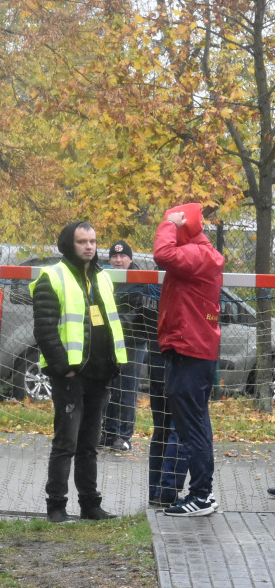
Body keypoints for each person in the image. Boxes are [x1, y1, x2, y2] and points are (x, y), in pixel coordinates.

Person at [31, 221, 125, 523]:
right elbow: (44, 331)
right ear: (68, 244)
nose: (89, 246)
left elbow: (111, 324)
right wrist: (63, 369)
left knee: (89, 445)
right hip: (70, 376)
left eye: (93, 241)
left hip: (100, 374)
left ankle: (90, 505)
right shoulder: (53, 276)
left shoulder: (103, 278)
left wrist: (114, 365)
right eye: (82, 241)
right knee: (65, 444)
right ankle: (56, 506)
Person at [153, 203, 223, 517]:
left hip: (189, 349)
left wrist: (168, 223)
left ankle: (201, 495)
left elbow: (162, 255)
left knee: (192, 427)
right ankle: (201, 494)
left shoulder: (197, 255)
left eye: (177, 224)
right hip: (189, 349)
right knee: (194, 424)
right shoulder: (200, 254)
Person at [100, 240, 148, 452]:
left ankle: (124, 435)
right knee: (109, 389)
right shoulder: (104, 279)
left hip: (132, 342)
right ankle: (108, 433)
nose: (118, 260)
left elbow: (138, 314)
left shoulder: (140, 281)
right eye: (114, 256)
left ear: (130, 259)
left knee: (127, 389)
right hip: (109, 342)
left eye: (122, 257)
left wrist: (114, 324)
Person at [143, 282, 186, 506]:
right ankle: (168, 490)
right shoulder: (183, 285)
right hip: (176, 361)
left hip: (157, 360)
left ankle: (156, 491)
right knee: (180, 428)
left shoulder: (150, 286)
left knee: (161, 429)